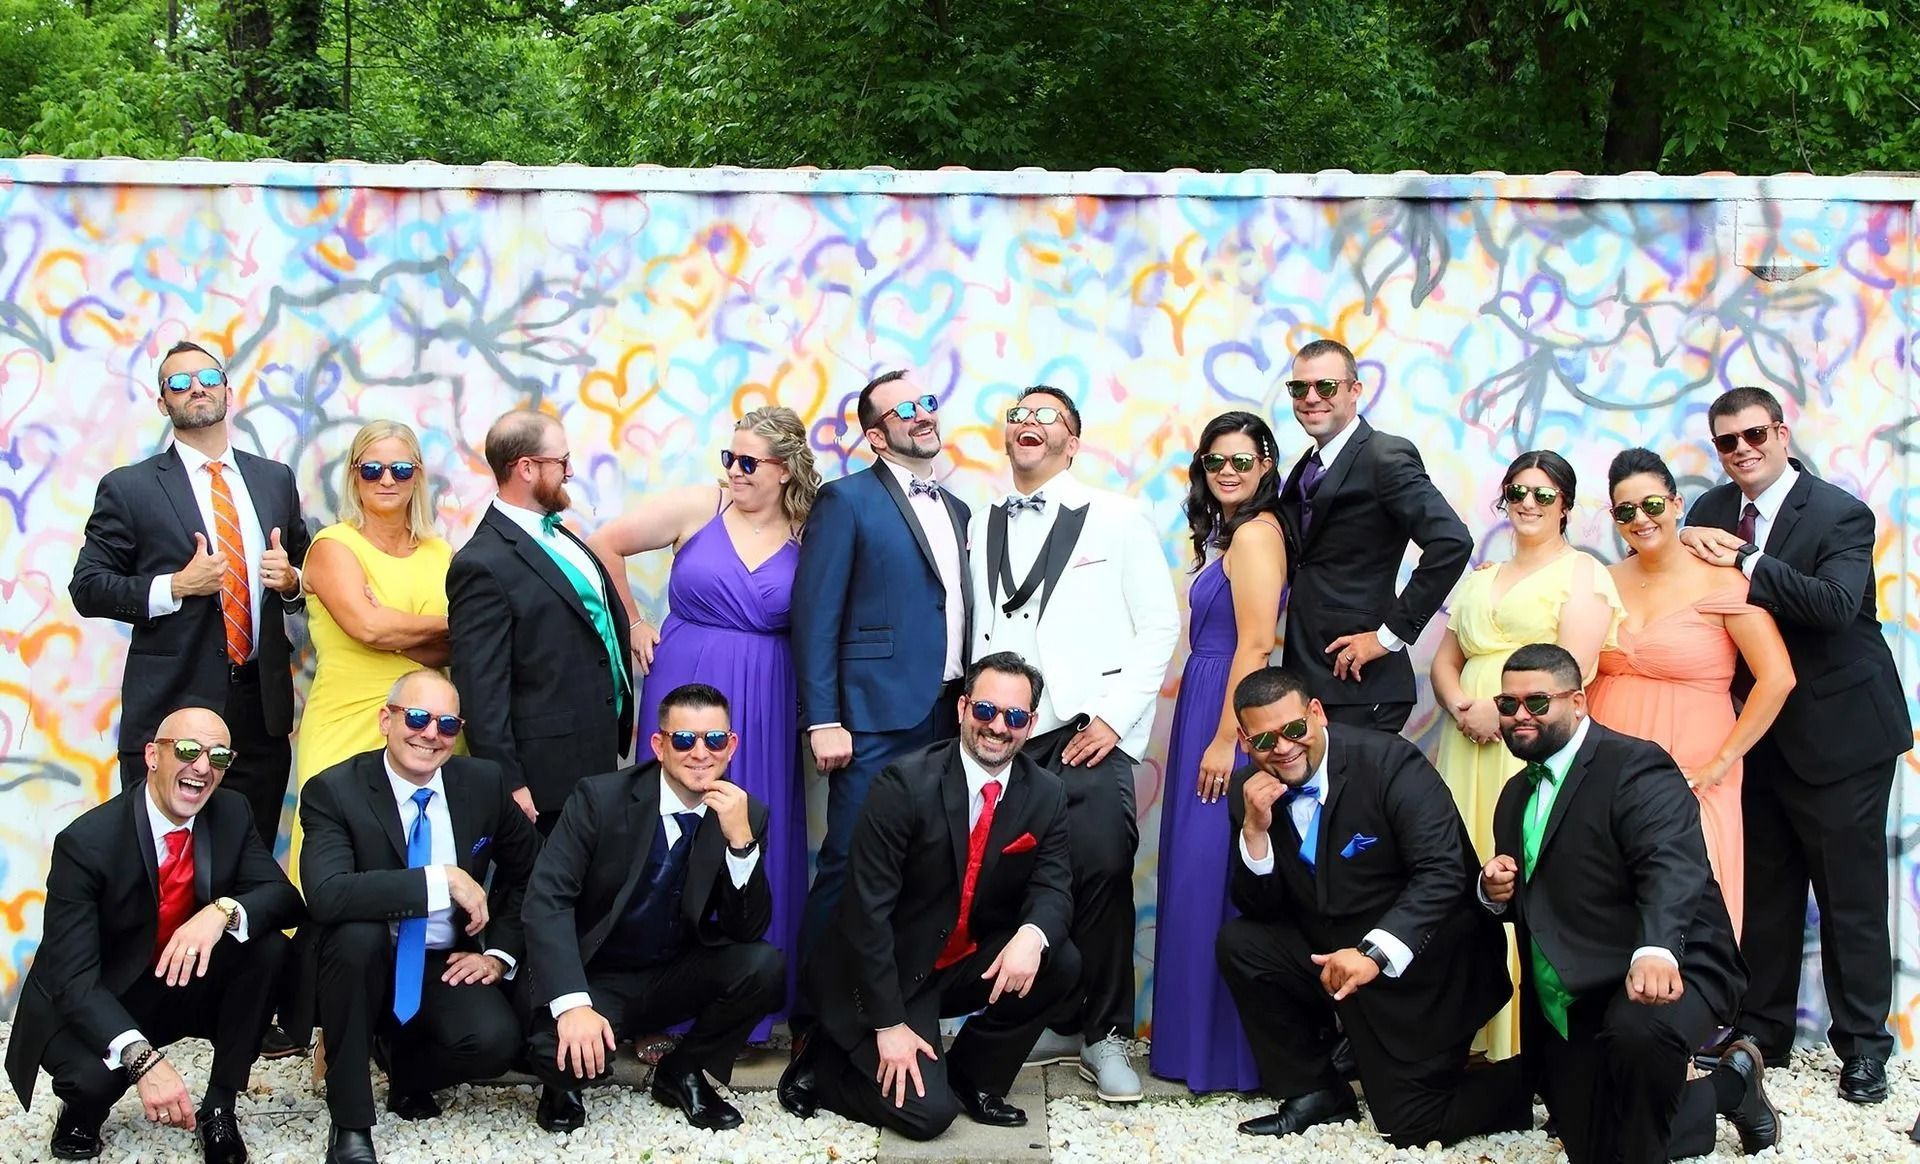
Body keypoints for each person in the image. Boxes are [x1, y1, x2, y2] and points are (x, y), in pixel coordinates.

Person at [1679, 385, 1911, 1102]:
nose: (1742, 449)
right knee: (1769, 894)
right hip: (1759, 733)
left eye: (1754, 435)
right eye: (1726, 442)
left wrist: (1746, 560)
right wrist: (1687, 540)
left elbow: (1835, 608)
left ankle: (1865, 1048)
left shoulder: (1840, 511)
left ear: (1781, 434)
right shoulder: (1707, 512)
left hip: (1843, 733)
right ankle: (1762, 1033)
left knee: (1850, 899)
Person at [1479, 643, 1778, 1162]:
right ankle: (1731, 1087)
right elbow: (1539, 901)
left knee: (1640, 1039)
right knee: (1595, 1139)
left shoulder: (1635, 764)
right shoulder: (1513, 797)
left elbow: (1672, 865)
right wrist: (1494, 892)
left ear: (1577, 702)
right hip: (1583, 985)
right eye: (1508, 705)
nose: (1520, 715)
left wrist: (1657, 949)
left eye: (1537, 702)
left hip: (1673, 963)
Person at [967, 386, 1179, 1103]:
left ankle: (1107, 1031)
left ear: (1073, 440)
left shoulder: (1116, 518)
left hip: (1089, 730)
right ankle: (1050, 1015)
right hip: (1003, 734)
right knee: (1012, 881)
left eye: (1045, 417)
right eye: (1018, 415)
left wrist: (1115, 720)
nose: (1027, 424)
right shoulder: (979, 520)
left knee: (1100, 878)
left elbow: (1158, 626)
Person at [1217, 667, 1530, 1146]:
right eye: (1263, 740)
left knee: (1412, 1125)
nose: (1281, 748)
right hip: (1335, 957)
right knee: (1242, 943)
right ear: (1244, 740)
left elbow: (1443, 873)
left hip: (1427, 967)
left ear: (1316, 714)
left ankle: (1536, 1080)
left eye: (1294, 730)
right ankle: (1315, 1090)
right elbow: (1261, 908)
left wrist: (1371, 956)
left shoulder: (1388, 763)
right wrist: (1254, 833)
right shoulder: (1251, 792)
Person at [777, 653, 1078, 1140]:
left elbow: (1054, 884)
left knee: (1059, 958)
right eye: (985, 710)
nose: (998, 727)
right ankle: (824, 1065)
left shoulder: (1046, 793)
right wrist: (889, 1024)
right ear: (961, 708)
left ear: (1031, 723)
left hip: (956, 961)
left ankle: (973, 1077)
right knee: (927, 1117)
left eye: (1014, 716)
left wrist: (1031, 934)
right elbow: (864, 914)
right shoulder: (904, 784)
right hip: (886, 969)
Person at [586, 406, 816, 1040]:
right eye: (729, 459)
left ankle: (748, 1006)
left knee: (751, 831)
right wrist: (632, 621)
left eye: (749, 463)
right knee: (670, 833)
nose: (734, 472)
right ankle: (659, 1004)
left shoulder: (809, 528)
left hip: (767, 697)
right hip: (685, 682)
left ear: (786, 469)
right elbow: (607, 542)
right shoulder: (700, 505)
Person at [5, 707, 302, 1164]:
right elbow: (74, 978)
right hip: (104, 990)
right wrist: (145, 1061)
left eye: (218, 756)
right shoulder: (88, 843)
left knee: (267, 948)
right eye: (187, 750)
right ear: (152, 756)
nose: (202, 767)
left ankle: (220, 1105)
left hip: (181, 974)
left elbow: (283, 898)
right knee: (89, 1078)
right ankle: (81, 1112)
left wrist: (220, 911)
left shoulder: (231, 812)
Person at [69, 340, 310, 844]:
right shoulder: (130, 487)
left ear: (227, 388)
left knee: (250, 858)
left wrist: (290, 583)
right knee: (162, 866)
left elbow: (305, 574)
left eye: (207, 377)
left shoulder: (274, 480)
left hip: (258, 711)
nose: (196, 387)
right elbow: (88, 588)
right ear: (163, 403)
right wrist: (175, 586)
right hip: (171, 707)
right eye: (179, 382)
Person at [298, 670, 543, 1164]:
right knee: (356, 938)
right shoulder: (334, 790)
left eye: (447, 724)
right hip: (355, 962)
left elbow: (535, 871)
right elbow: (326, 894)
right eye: (416, 717)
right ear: (385, 720)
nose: (430, 734)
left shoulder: (482, 782)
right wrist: (443, 880)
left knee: (495, 1042)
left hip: (439, 958)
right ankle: (350, 1122)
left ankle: (402, 1066)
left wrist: (498, 954)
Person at [520, 683, 783, 1133]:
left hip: (668, 975)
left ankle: (683, 1070)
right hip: (594, 974)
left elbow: (746, 929)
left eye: (714, 740)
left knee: (764, 966)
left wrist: (741, 845)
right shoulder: (600, 799)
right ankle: (561, 1085)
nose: (700, 752)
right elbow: (547, 899)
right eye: (684, 740)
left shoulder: (743, 814)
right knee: (557, 1054)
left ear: (731, 745)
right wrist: (573, 1004)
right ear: (659, 745)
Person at [1428, 450, 1622, 1059]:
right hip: (1465, 744)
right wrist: (1463, 705)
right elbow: (1445, 657)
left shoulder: (1584, 574)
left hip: (1533, 740)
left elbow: (1577, 665)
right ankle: (1465, 1025)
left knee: (1528, 868)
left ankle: (1524, 1037)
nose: (1529, 503)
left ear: (1565, 502)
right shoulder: (1481, 577)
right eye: (1517, 491)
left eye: (1543, 493)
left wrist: (1503, 712)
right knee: (1464, 870)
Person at [792, 370, 972, 974]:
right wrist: (824, 718)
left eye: (927, 403)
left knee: (927, 866)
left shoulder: (960, 510)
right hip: (871, 716)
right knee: (849, 862)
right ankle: (815, 1032)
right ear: (875, 436)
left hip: (951, 717)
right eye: (904, 411)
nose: (923, 415)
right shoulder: (846, 501)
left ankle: (894, 1012)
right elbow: (815, 617)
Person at [1589, 447, 1794, 941]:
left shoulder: (1724, 581)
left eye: (1653, 505)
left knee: (1689, 914)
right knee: (1605, 909)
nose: (1641, 519)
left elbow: (1778, 678)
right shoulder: (1600, 582)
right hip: (1606, 772)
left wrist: (1722, 762)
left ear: (1678, 505)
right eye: (1625, 511)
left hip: (1693, 772)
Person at [1148, 411, 1286, 1094]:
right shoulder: (1228, 536)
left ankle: (1223, 1055)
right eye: (1214, 461)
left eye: (1242, 459)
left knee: (1213, 876)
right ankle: (1189, 1046)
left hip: (1225, 712)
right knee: (1197, 875)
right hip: (1205, 699)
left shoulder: (1258, 536)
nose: (1227, 471)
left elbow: (1257, 645)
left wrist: (1228, 738)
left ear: (1266, 465)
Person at [448, 409, 633, 833]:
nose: (570, 472)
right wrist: (509, 782)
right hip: (544, 778)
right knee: (537, 894)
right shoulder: (481, 563)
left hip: (595, 757)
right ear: (526, 467)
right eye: (561, 461)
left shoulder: (560, 534)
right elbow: (480, 688)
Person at [292, 420, 454, 894]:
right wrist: (394, 628)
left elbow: (455, 646)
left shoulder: (441, 552)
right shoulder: (332, 546)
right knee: (335, 856)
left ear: (418, 476)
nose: (387, 480)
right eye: (373, 469)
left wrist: (390, 628)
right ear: (354, 475)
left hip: (428, 725)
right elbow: (366, 626)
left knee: (421, 852)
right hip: (346, 722)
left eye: (401, 470)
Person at [1276, 338, 1470, 732]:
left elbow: (1451, 542)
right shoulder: (1306, 466)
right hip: (1310, 677)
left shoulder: (1385, 457)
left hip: (1363, 684)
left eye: (1326, 387)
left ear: (1354, 391)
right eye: (1300, 388)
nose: (1311, 398)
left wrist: (1388, 637)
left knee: (1360, 795)